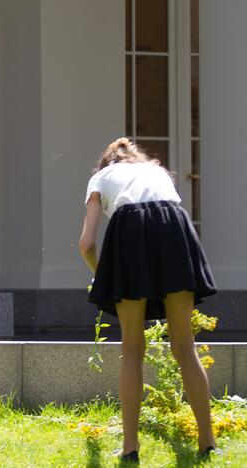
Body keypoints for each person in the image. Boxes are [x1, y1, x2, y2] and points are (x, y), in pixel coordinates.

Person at [78, 137, 217, 461]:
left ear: (106, 161)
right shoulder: (156, 171)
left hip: (129, 231)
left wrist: (103, 274)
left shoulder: (100, 178)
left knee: (132, 349)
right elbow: (164, 210)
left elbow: (86, 244)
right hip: (175, 227)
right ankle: (207, 441)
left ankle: (130, 447)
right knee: (185, 346)